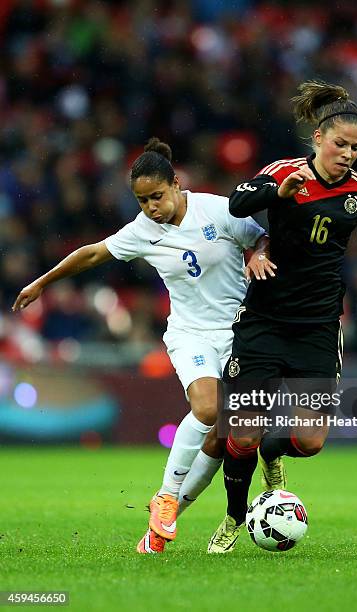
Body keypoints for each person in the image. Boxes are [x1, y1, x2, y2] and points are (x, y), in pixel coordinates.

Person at [12, 137, 278, 554]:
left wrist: (257, 254)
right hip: (190, 334)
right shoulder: (143, 231)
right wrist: (42, 283)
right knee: (206, 410)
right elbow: (92, 255)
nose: (151, 207)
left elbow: (262, 237)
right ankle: (167, 497)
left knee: (220, 440)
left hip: (240, 333)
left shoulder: (218, 210)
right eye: (142, 201)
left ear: (176, 184)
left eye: (156, 196)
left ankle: (161, 527)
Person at [208, 80, 357, 553]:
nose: (348, 153)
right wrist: (277, 193)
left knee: (309, 440)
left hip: (319, 329)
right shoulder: (284, 171)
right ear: (319, 138)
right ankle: (233, 518)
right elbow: (236, 204)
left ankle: (273, 450)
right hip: (263, 320)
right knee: (239, 433)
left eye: (356, 147)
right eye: (341, 144)